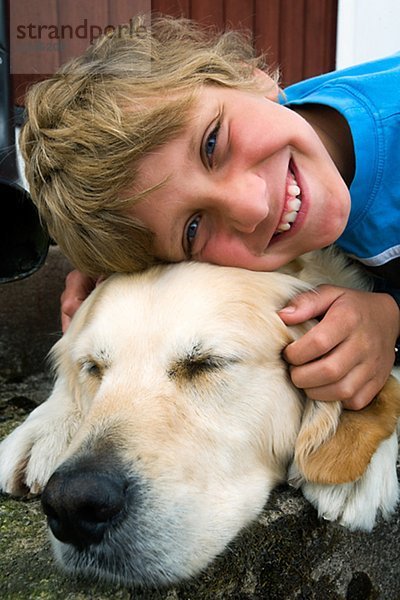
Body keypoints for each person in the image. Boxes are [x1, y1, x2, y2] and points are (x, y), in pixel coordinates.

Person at [19, 15, 400, 411]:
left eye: (212, 144)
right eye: (194, 227)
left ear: (248, 77)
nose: (253, 205)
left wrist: (393, 325)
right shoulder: (260, 112)